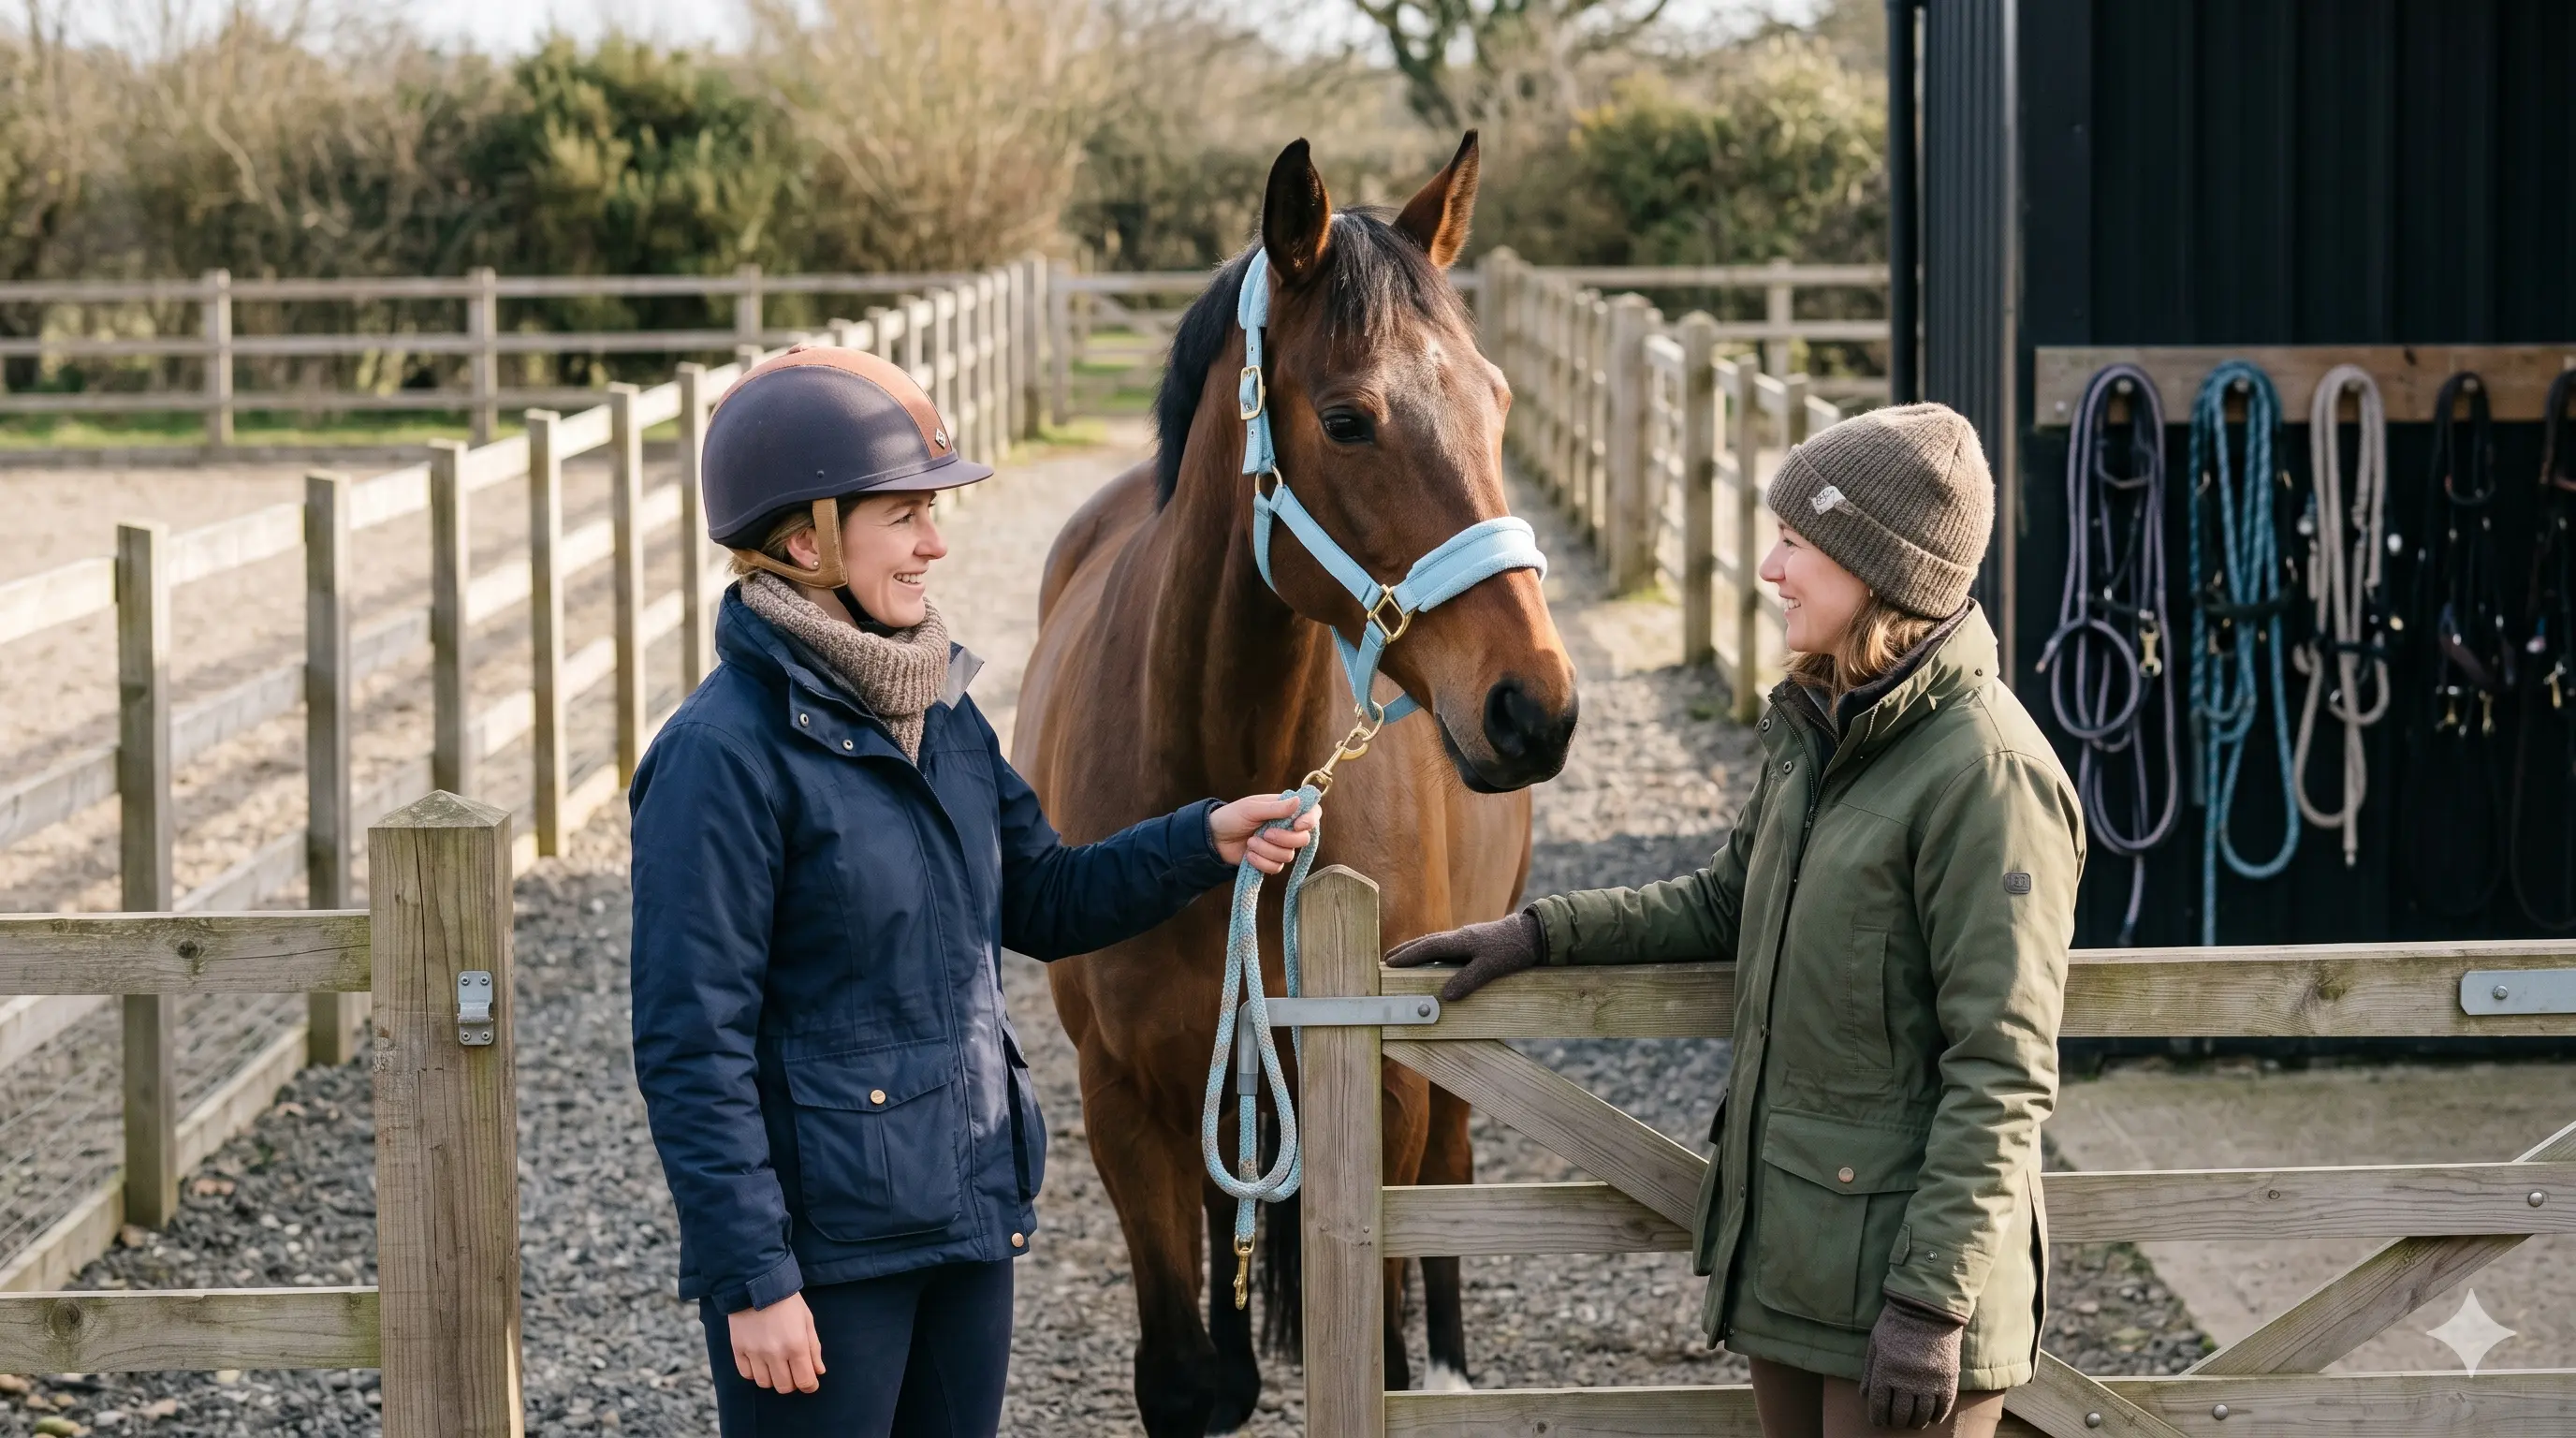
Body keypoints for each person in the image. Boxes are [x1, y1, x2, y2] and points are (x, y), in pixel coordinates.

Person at [626, 346, 1316, 1438]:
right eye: (903, 516)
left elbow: (1041, 896)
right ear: (805, 541)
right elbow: (688, 1043)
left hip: (967, 1222)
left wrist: (1202, 839)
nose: (935, 543)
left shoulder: (937, 711)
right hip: (828, 1257)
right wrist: (754, 1277)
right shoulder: (718, 758)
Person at [1389, 404, 2083, 1437]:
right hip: (1792, 1263)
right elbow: (1723, 899)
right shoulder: (1823, 722)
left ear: (1875, 567)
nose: (1767, 568)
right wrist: (1536, 935)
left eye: (1795, 544)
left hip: (1897, 1290)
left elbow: (2001, 1069)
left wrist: (1929, 1305)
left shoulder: (1986, 776)